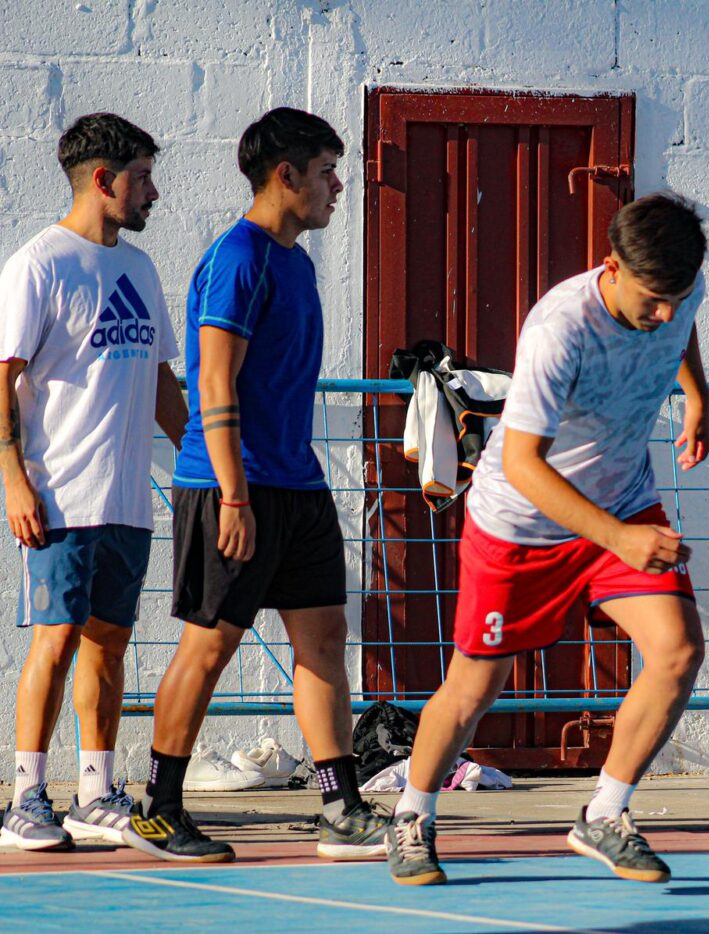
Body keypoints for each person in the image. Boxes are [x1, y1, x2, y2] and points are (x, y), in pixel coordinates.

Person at [386, 192, 709, 886]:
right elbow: (522, 464)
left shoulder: (680, 291)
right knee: (474, 688)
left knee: (679, 650)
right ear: (612, 267)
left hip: (621, 500)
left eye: (678, 298)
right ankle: (412, 815)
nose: (665, 314)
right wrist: (620, 539)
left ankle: (604, 813)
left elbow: (681, 331)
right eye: (652, 300)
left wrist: (698, 397)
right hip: (521, 524)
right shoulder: (560, 329)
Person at [122, 108, 387, 863]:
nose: (338, 187)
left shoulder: (295, 262)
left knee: (325, 638)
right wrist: (234, 495)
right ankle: (158, 809)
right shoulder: (238, 258)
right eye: (328, 172)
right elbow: (213, 381)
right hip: (231, 487)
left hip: (297, 484)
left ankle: (340, 806)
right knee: (210, 645)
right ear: (286, 175)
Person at [0, 113, 187, 851]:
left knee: (109, 644)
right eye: (142, 178)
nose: (155, 193)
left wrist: (204, 464)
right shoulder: (39, 264)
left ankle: (94, 792)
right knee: (55, 640)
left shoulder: (139, 269)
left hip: (127, 500)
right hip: (58, 496)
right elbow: (3, 377)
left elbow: (163, 382)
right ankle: (26, 797)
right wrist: (14, 479)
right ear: (104, 180)